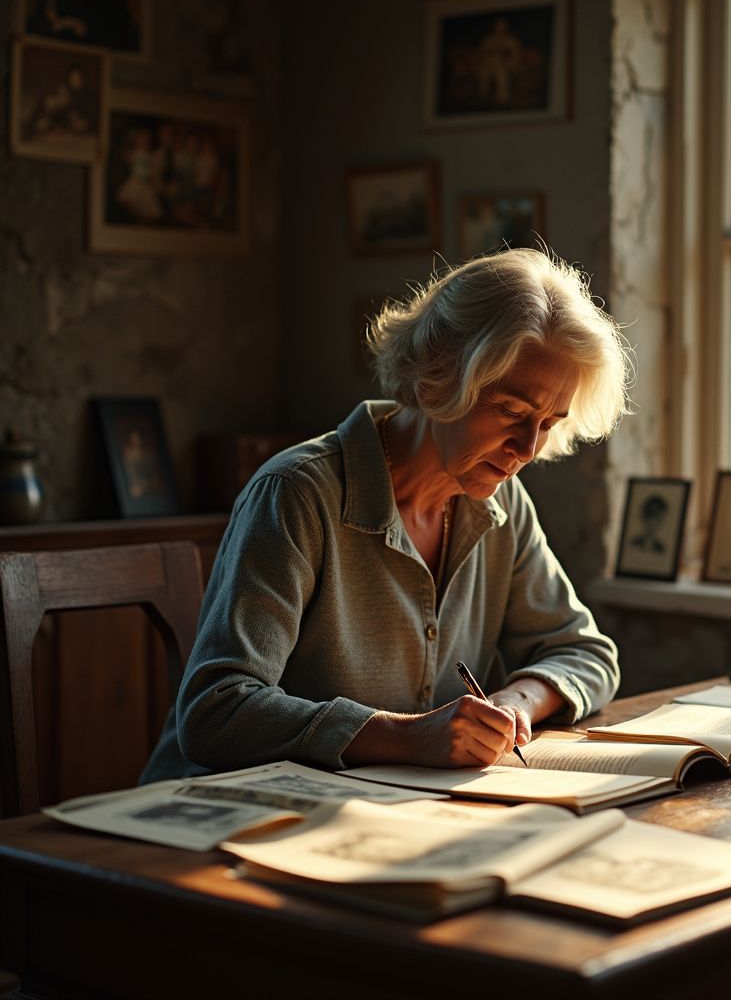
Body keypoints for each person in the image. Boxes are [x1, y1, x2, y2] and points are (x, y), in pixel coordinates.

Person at [140, 249, 631, 783]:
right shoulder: (298, 494)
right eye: (511, 411)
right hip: (205, 823)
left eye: (549, 421)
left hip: (374, 812)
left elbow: (586, 654)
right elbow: (216, 712)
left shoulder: (501, 503)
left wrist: (518, 701)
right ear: (434, 379)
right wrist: (409, 736)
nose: (528, 447)